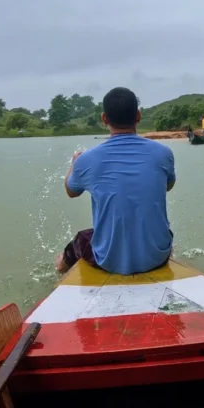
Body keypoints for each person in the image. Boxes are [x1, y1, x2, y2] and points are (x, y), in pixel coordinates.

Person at [57, 87, 176, 275]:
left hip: (109, 261)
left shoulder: (86, 159)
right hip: (157, 257)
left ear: (104, 119)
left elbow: (71, 191)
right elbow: (168, 186)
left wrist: (74, 163)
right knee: (165, 231)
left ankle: (59, 270)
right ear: (138, 116)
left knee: (80, 240)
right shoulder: (164, 153)